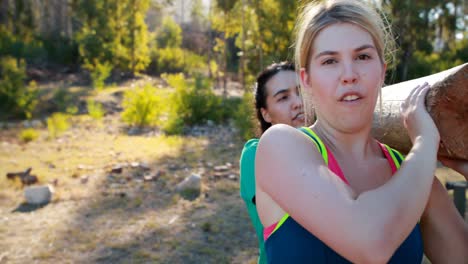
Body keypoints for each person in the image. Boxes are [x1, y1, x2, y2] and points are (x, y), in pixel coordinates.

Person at [255, 0, 468, 263]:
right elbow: (371, 244)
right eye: (330, 61)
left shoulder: (410, 172)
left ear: (381, 71)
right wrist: (424, 142)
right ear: (306, 80)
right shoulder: (280, 146)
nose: (349, 74)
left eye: (363, 57)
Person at [239, 61, 305, 264]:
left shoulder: (329, 146)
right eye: (283, 98)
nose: (298, 102)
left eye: (301, 92)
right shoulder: (255, 154)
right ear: (266, 114)